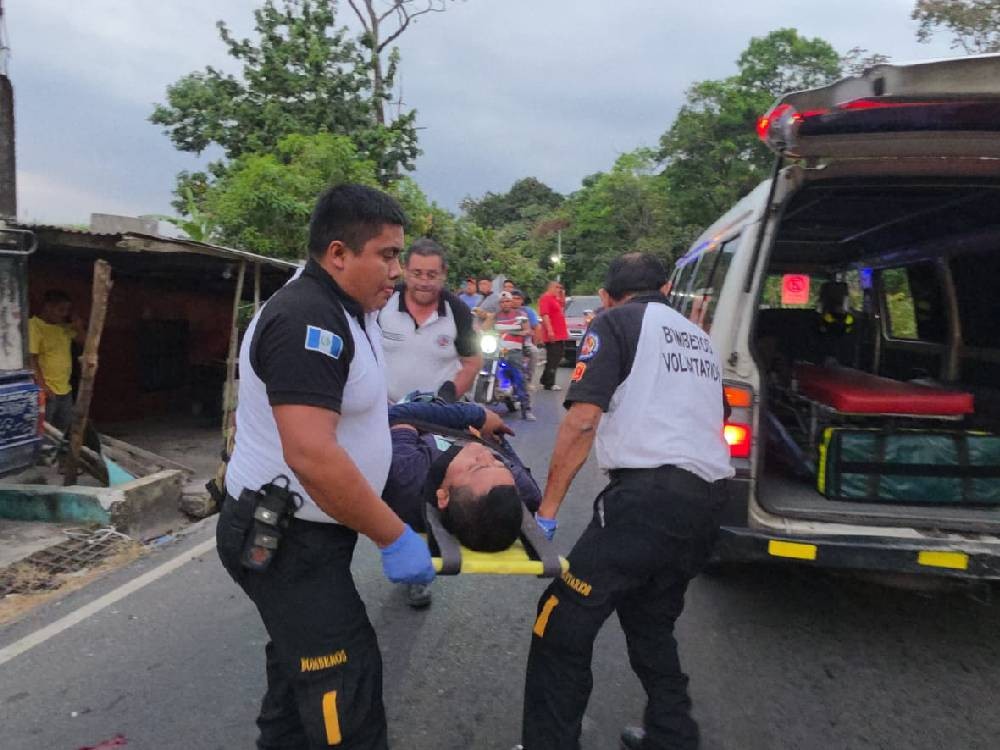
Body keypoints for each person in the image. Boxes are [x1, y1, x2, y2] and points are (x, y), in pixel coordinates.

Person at [216, 184, 436, 750]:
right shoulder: (305, 319)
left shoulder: (350, 309)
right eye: (387, 256)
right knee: (345, 686)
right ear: (339, 254)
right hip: (286, 541)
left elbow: (357, 407)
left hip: (310, 536)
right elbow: (311, 454)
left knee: (296, 683)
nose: (399, 273)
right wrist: (393, 536)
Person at [517, 253, 735, 750]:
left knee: (561, 618)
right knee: (650, 620)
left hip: (648, 498)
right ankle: (672, 735)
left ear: (610, 296)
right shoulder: (697, 336)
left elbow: (582, 419)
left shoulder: (615, 322)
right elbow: (712, 413)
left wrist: (546, 513)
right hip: (709, 499)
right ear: (664, 286)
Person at [382, 399, 541, 606]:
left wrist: (477, 415)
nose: (485, 454)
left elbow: (398, 416)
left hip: (426, 408)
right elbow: (497, 442)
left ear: (444, 495)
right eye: (497, 463)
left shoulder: (407, 474)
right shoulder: (524, 490)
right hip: (450, 416)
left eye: (476, 467)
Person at [378, 239, 482, 402]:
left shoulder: (457, 310)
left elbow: (472, 363)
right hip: (385, 413)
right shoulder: (383, 302)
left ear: (444, 274)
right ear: (405, 271)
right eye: (417, 274)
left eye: (431, 275)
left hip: (436, 416)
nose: (424, 282)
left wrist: (445, 399)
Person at [29, 290, 85, 432]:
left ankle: (56, 454)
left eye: (67, 310)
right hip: (47, 389)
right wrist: (42, 386)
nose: (64, 314)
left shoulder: (62, 327)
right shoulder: (34, 326)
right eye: (61, 310)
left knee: (63, 429)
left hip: (65, 389)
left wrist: (78, 326)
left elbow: (83, 341)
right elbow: (31, 359)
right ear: (48, 307)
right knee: (45, 430)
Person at [495, 291, 535, 421]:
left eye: (507, 301)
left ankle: (526, 409)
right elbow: (484, 328)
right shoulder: (495, 316)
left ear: (511, 302)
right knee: (482, 368)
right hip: (497, 350)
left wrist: (517, 333)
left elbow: (528, 329)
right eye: (502, 302)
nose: (505, 304)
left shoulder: (520, 315)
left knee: (519, 376)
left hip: (514, 350)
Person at [538, 280, 569, 391]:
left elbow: (562, 306)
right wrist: (550, 331)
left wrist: (562, 295)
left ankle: (545, 378)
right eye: (556, 287)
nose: (558, 289)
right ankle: (549, 383)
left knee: (558, 355)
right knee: (553, 357)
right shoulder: (545, 298)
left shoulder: (555, 299)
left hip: (560, 333)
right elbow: (545, 315)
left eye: (560, 287)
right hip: (553, 333)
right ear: (550, 287)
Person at [512, 289, 540, 387]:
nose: (515, 301)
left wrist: (534, 342)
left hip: (523, 343)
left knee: (534, 352)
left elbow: (534, 328)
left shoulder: (526, 312)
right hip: (504, 343)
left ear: (522, 300)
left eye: (518, 298)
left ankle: (528, 380)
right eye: (513, 298)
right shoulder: (502, 311)